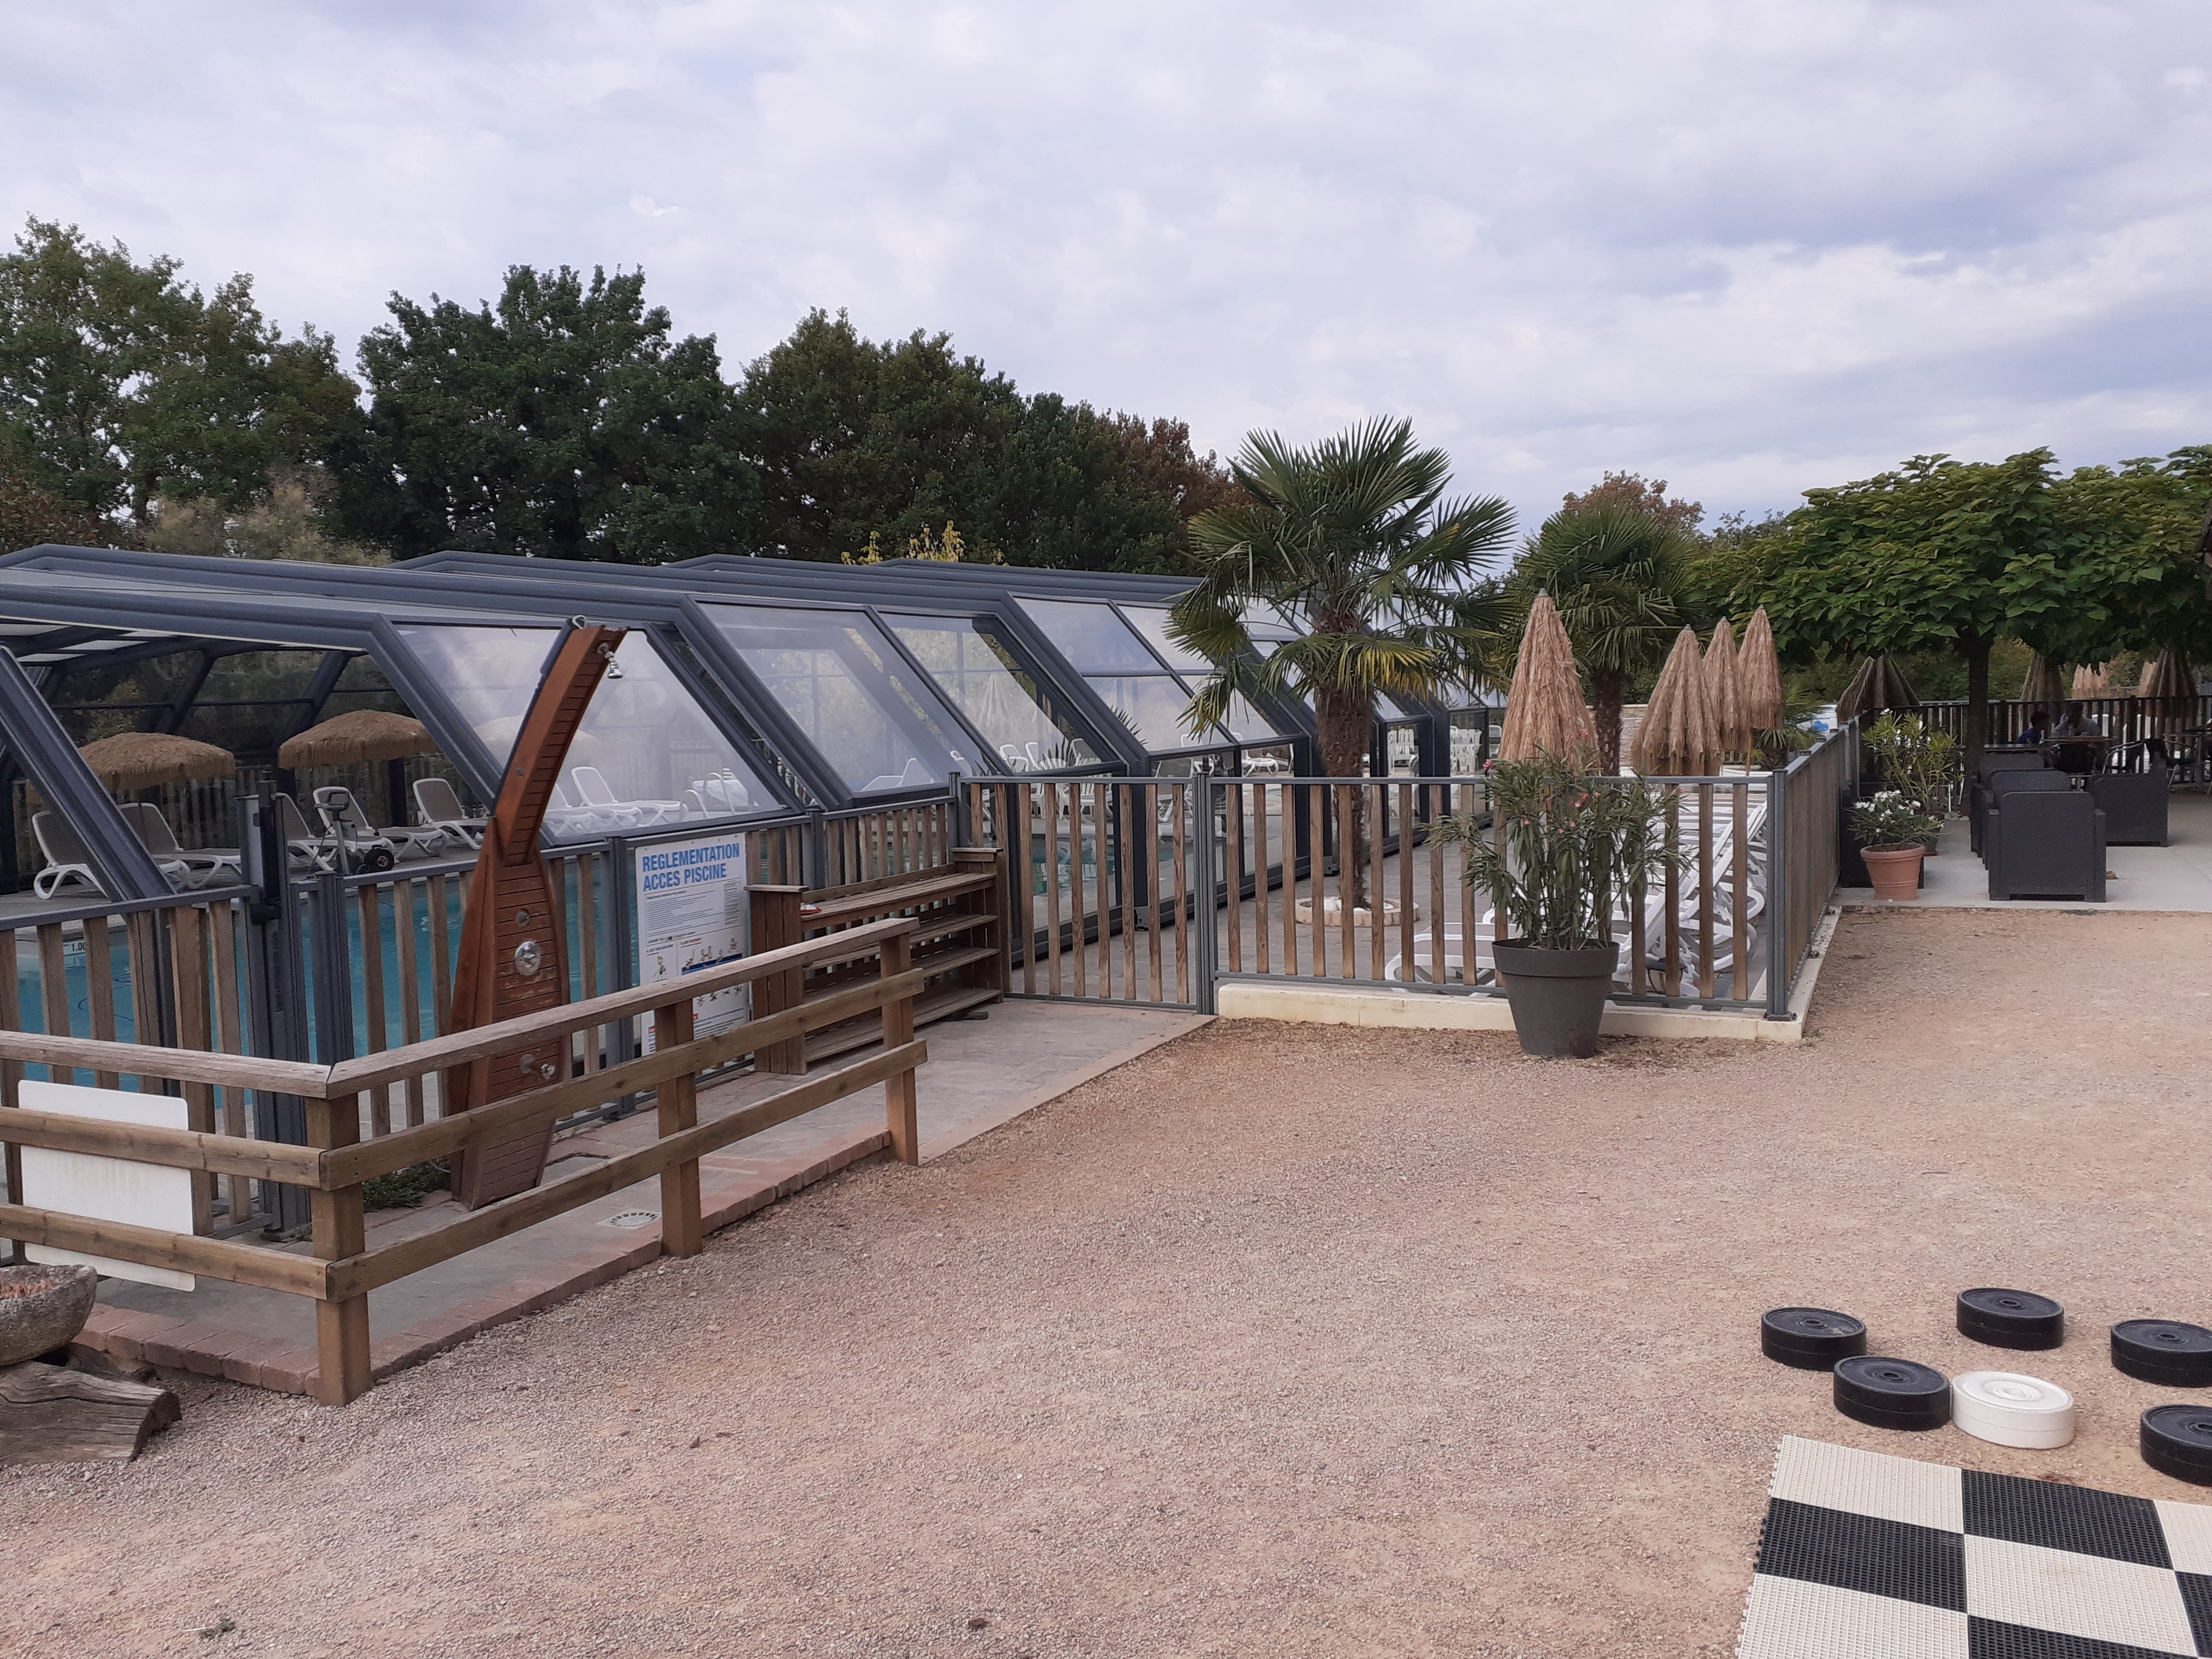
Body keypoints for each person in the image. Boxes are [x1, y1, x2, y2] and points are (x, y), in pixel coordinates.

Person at [2052, 702, 2095, 774]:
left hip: (2085, 757)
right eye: (2072, 716)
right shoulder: (2061, 728)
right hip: (2065, 758)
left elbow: (2099, 739)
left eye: (2078, 716)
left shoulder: (2090, 725)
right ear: (2067, 714)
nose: (2075, 719)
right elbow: (2053, 742)